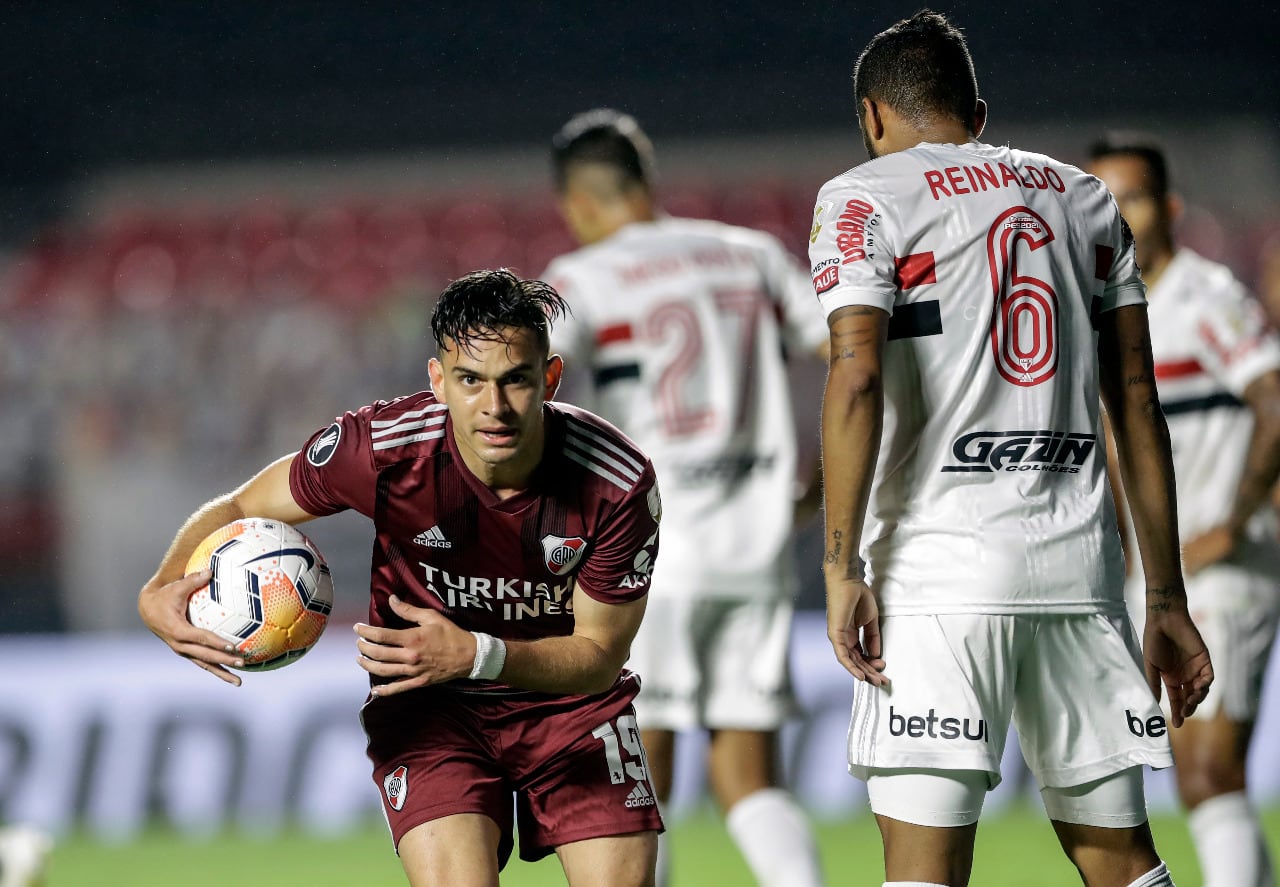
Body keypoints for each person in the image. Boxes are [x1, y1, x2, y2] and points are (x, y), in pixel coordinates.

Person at [810, 11, 1214, 887]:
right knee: (1121, 858)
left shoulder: (863, 196)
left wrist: (842, 568)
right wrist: (1167, 594)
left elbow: (855, 380)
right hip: (1079, 573)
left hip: (937, 576)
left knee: (925, 867)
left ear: (874, 117)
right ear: (978, 113)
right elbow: (1137, 398)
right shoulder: (1084, 195)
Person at [138, 269, 665, 887]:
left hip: (570, 711)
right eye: (470, 381)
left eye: (515, 380)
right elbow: (237, 507)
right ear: (438, 381)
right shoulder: (383, 450)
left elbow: (600, 656)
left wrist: (477, 654)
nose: (494, 408)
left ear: (549, 377)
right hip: (430, 711)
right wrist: (159, 588)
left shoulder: (616, 483)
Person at [541, 108, 830, 887]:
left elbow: (530, 384)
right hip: (759, 547)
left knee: (641, 780)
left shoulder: (584, 277)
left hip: (651, 557)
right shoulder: (751, 254)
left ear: (579, 201)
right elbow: (848, 344)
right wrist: (825, 480)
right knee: (751, 776)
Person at [1090, 136, 1280, 887]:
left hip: (1223, 567)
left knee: (1207, 770)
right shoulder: (1109, 306)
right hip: (1163, 573)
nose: (1118, 216)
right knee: (1195, 778)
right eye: (1103, 200)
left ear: (1168, 207)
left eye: (1132, 198)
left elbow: (1274, 400)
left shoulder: (1203, 296)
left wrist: (1232, 522)